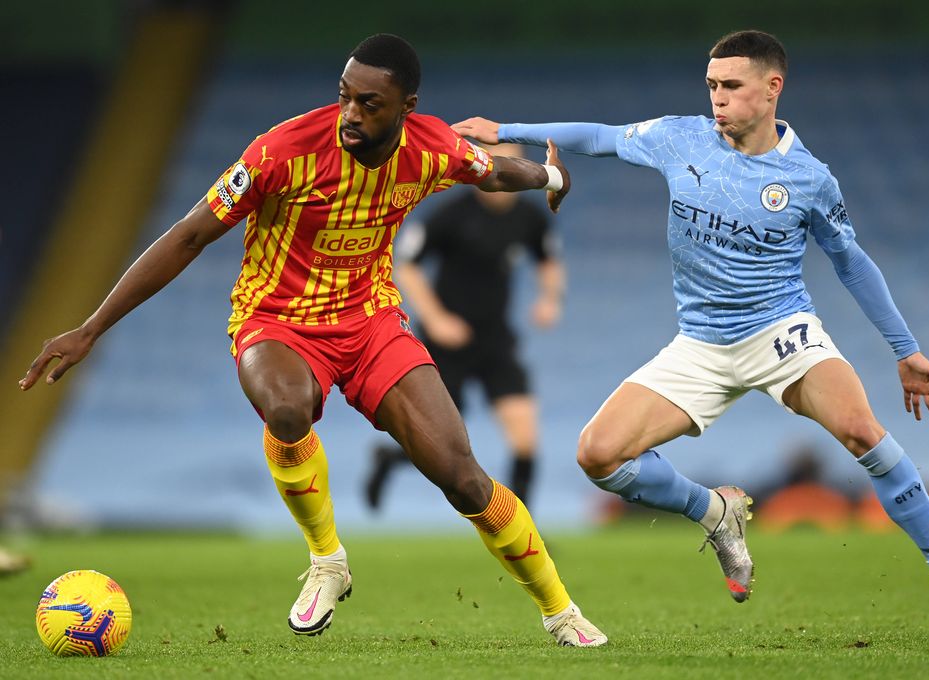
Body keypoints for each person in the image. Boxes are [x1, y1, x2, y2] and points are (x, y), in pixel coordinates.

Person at [20, 34, 606, 646]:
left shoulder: (431, 147)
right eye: (344, 96)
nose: (351, 113)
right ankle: (327, 561)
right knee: (287, 409)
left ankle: (560, 609)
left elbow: (491, 172)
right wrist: (90, 328)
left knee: (460, 475)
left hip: (371, 322)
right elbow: (190, 235)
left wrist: (548, 176)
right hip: (276, 321)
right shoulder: (282, 150)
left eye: (370, 103)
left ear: (407, 106)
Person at [453, 29, 929, 620]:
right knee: (598, 455)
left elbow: (851, 260)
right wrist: (505, 131)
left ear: (773, 89)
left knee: (862, 432)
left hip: (781, 333)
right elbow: (599, 137)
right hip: (700, 343)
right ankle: (714, 512)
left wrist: (906, 349)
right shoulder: (680, 137)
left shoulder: (808, 178)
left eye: (732, 86)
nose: (718, 98)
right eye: (712, 85)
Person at [365, 143, 565, 511]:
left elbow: (547, 259)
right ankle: (388, 459)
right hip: (447, 345)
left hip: (496, 341)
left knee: (525, 437)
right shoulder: (451, 215)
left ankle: (524, 531)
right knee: (439, 446)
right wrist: (437, 318)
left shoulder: (528, 217)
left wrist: (550, 298)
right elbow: (406, 265)